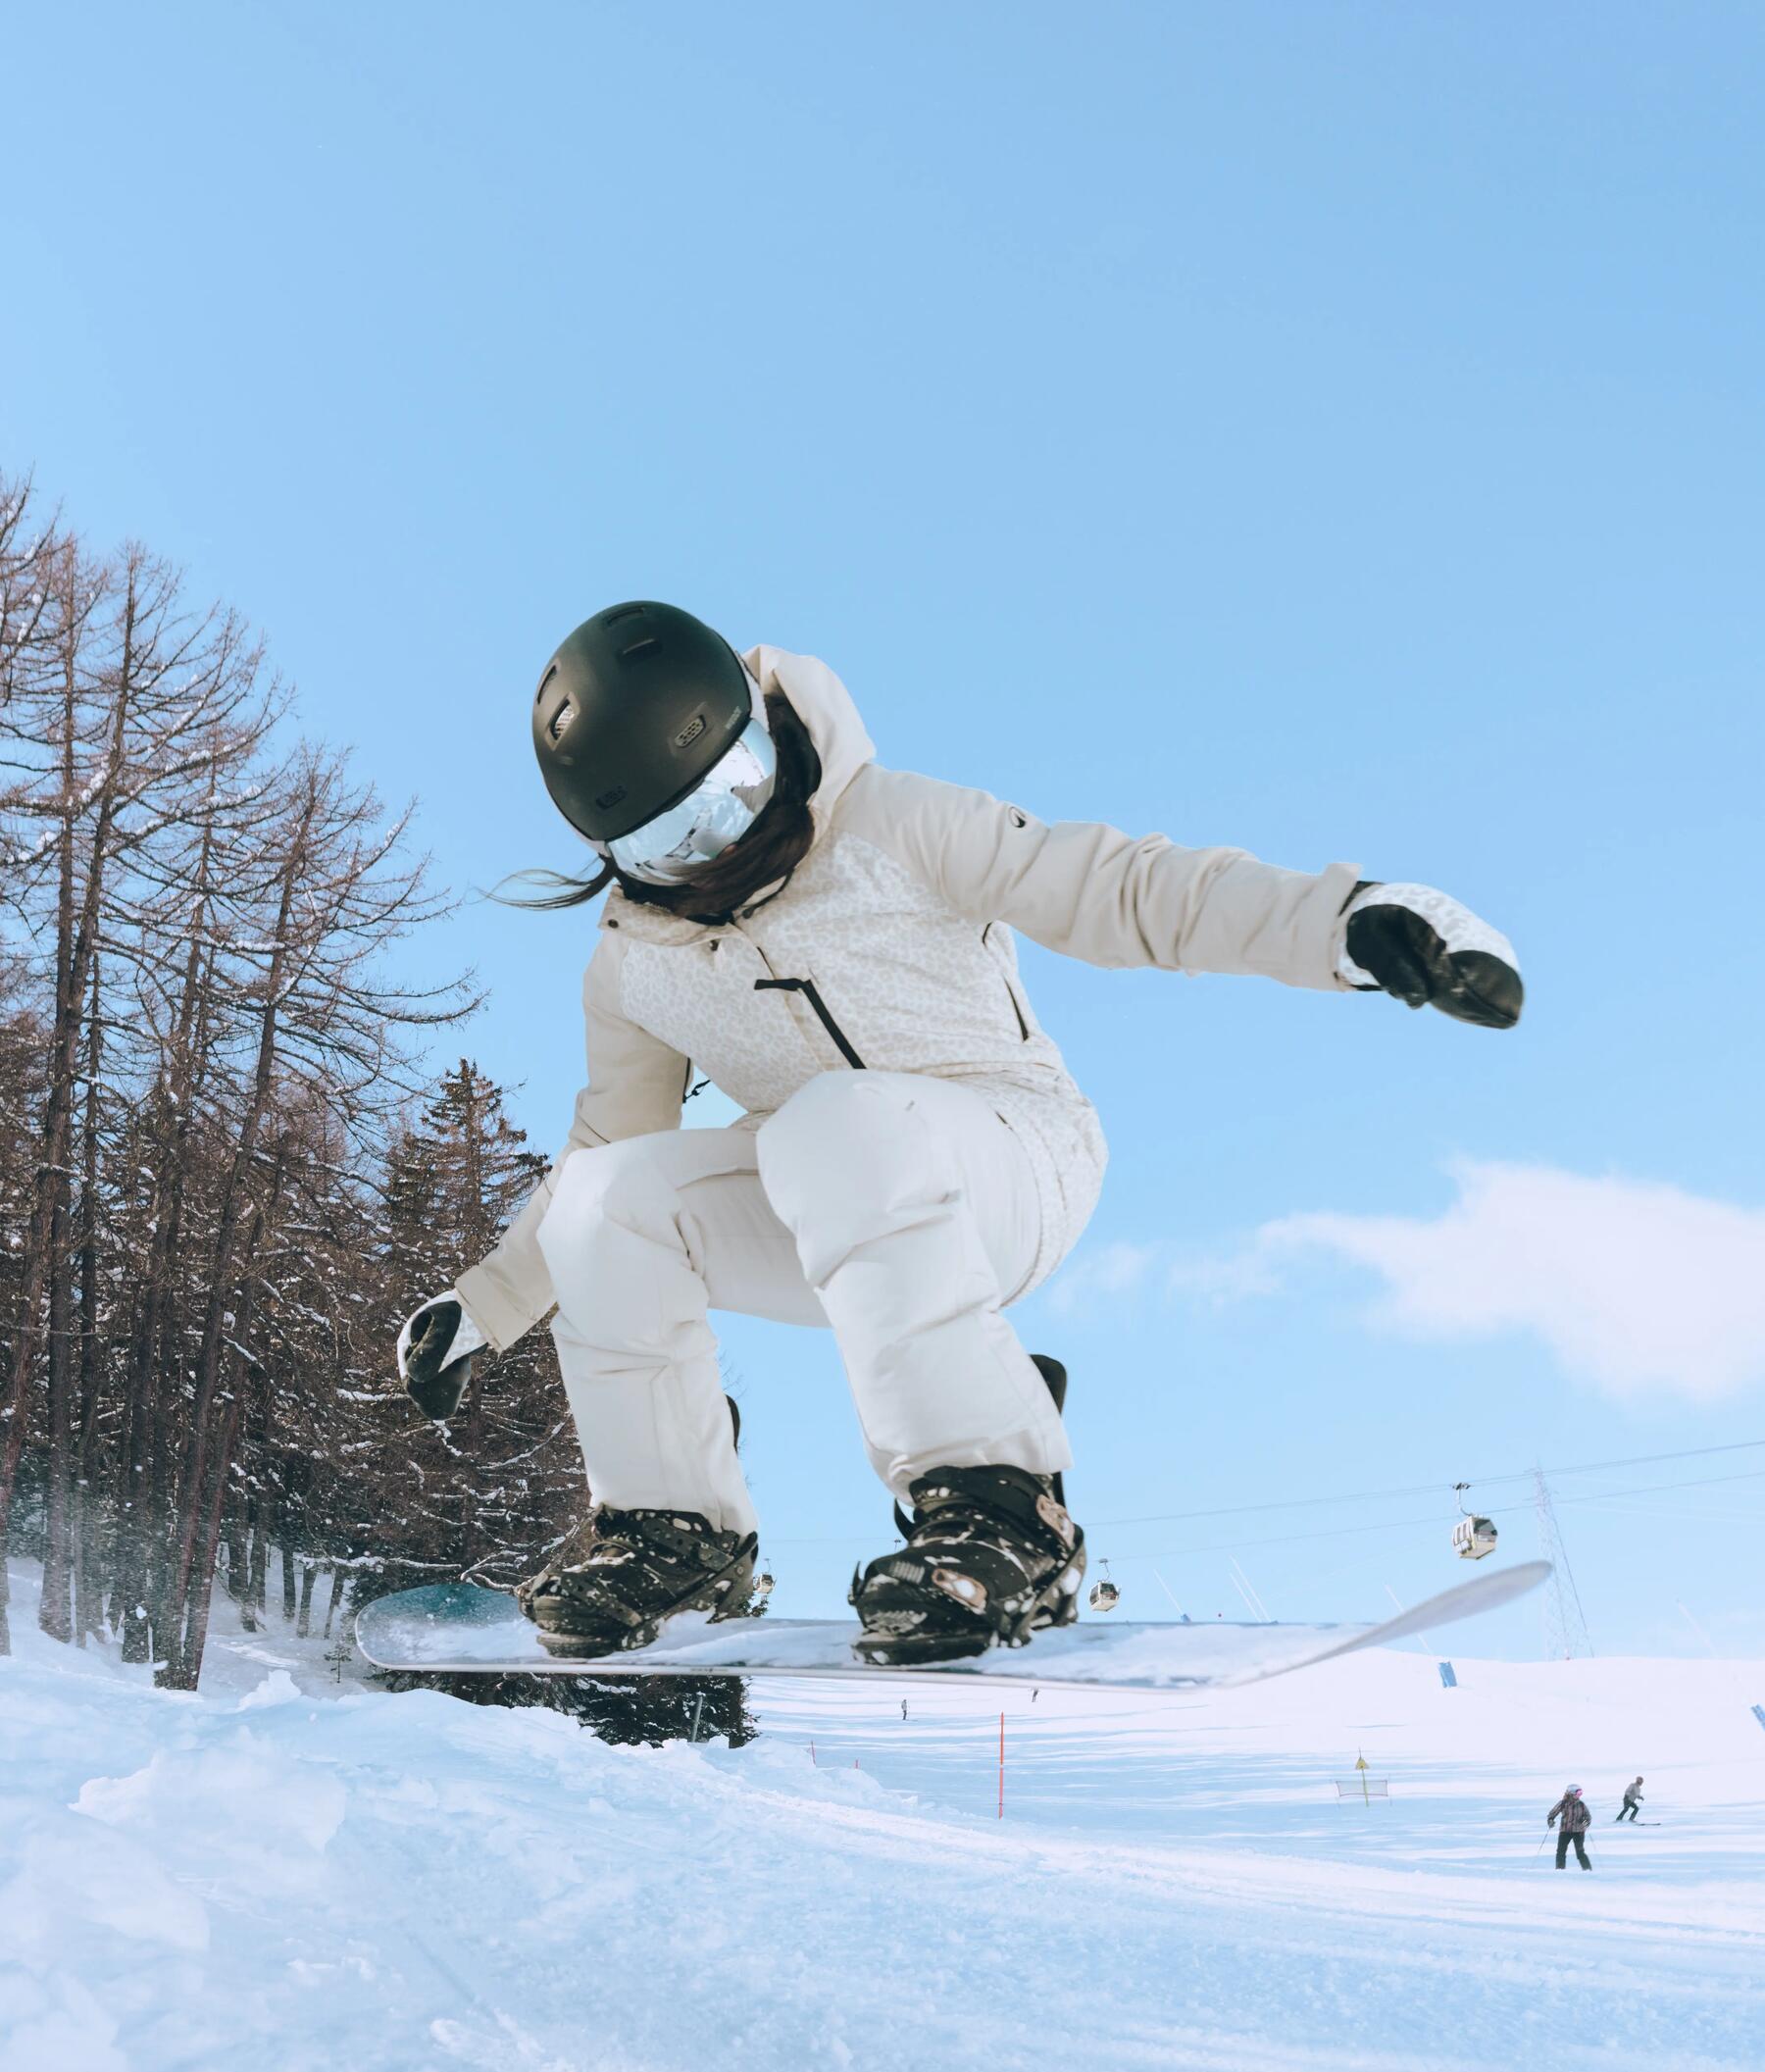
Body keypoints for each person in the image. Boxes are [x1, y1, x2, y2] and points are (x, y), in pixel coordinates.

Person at [396, 602, 1524, 1665]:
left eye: (735, 788)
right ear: (622, 854)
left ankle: (1000, 1510)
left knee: (837, 1123)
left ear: (761, 726)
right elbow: (607, 1142)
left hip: (1016, 1159)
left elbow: (1129, 889)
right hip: (826, 1195)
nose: (723, 842)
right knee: (610, 1202)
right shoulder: (635, 963)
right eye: (673, 839)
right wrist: (488, 1300)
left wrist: (1348, 918)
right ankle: (673, 1531)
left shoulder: (893, 824)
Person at [1548, 1785, 1592, 1869]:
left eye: (1581, 1793)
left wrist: (1586, 1822)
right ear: (1571, 1793)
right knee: (1561, 1852)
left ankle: (1587, 1869)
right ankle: (1560, 1869)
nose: (1579, 1795)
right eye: (1578, 1793)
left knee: (1580, 1852)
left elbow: (1587, 1816)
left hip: (1579, 1832)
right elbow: (1552, 1813)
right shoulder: (1562, 1804)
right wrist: (1550, 1820)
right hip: (1565, 1831)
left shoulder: (1581, 1805)